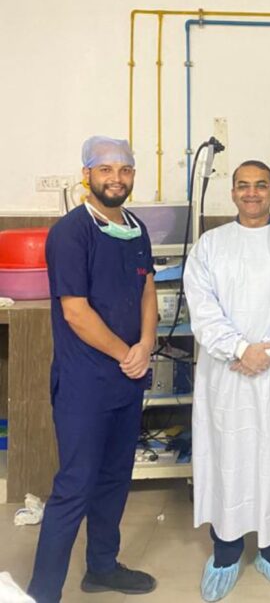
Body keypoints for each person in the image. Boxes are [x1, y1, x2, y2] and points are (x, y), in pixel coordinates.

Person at [27, 136, 158, 603]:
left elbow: (147, 290)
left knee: (114, 479)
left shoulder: (136, 228)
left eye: (125, 169)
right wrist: (127, 353)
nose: (116, 178)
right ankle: (43, 593)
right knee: (75, 486)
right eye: (105, 169)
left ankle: (102, 567)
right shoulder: (71, 233)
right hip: (85, 383)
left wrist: (146, 343)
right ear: (87, 175)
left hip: (127, 381)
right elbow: (76, 312)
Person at [184, 160, 270, 600]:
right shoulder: (210, 245)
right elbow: (203, 309)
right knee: (226, 456)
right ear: (233, 193)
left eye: (261, 185)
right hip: (227, 375)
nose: (252, 192)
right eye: (243, 185)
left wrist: (265, 352)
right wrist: (241, 349)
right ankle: (225, 551)